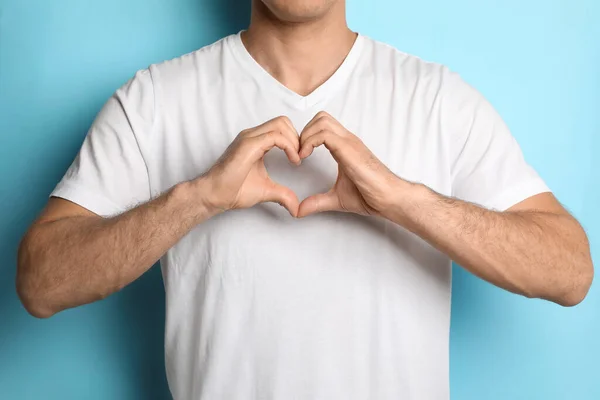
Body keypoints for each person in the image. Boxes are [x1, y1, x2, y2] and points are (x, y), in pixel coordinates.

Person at [16, 0, 593, 399]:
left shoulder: (439, 101)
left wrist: (402, 200)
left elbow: (569, 271)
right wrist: (196, 199)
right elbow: (40, 282)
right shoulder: (152, 103)